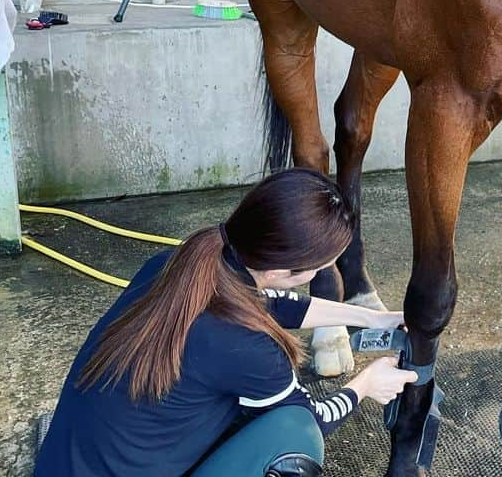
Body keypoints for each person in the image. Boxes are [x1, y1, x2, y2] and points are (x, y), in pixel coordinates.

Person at [35, 168, 416, 476]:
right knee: (296, 436)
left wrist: (372, 318)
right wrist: (367, 384)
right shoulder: (248, 348)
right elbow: (312, 418)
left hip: (64, 463)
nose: (322, 271)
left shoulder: (183, 264)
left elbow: (271, 302)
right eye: (320, 266)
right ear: (285, 269)